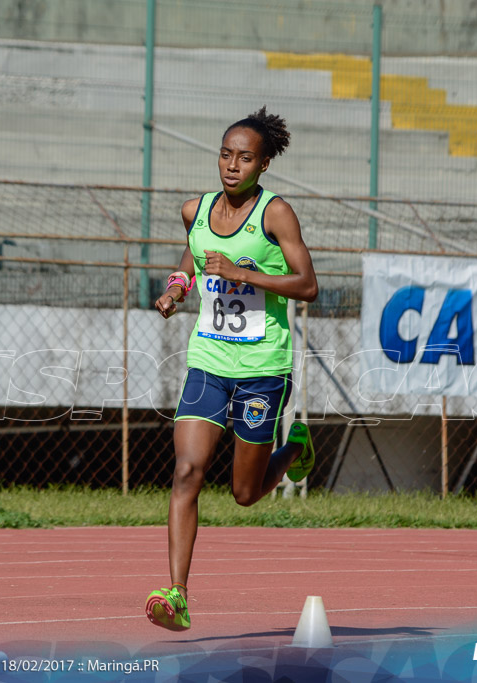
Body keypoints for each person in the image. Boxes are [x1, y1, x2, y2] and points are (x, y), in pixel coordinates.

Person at [145, 107, 319, 631]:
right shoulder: (194, 210)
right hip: (208, 361)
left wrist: (245, 272)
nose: (232, 165)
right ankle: (177, 594)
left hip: (263, 365)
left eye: (245, 158)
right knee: (186, 472)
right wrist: (178, 288)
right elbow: (192, 259)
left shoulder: (276, 214)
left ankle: (294, 450)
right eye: (226, 154)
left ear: (264, 164)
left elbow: (307, 284)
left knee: (244, 493)